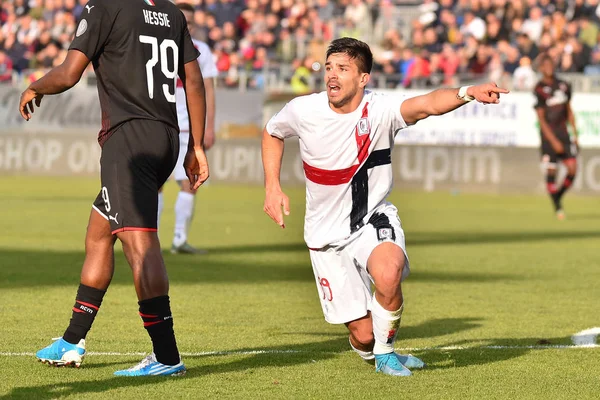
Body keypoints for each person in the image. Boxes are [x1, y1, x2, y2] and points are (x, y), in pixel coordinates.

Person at [262, 37, 508, 377]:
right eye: (330, 67)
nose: (332, 76)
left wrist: (467, 91)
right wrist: (272, 186)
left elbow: (427, 104)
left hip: (370, 219)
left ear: (364, 78)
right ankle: (374, 347)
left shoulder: (380, 110)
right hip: (324, 236)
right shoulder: (303, 110)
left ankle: (386, 352)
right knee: (362, 336)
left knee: (389, 271)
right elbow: (272, 132)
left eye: (343, 69)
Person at [19, 0, 209, 376]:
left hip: (129, 141)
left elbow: (70, 72)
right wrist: (196, 145)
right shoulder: (171, 13)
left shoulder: (103, 7)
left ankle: (168, 357)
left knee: (141, 242)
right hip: (167, 136)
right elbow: (196, 81)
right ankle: (72, 341)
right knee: (99, 233)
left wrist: (34, 86)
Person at [158, 2, 218, 255]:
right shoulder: (158, 45)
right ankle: (150, 240)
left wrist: (209, 127)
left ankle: (179, 239)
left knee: (189, 184)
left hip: (188, 129)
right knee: (155, 184)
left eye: (191, 22)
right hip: (160, 124)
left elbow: (209, 91)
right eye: (184, 21)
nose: (187, 25)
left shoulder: (201, 50)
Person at [533, 54, 578, 219]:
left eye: (551, 65)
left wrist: (575, 135)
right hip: (549, 137)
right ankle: (557, 206)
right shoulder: (538, 89)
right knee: (551, 173)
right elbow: (541, 119)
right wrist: (553, 141)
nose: (549, 68)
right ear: (541, 68)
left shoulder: (564, 85)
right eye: (546, 66)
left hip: (564, 134)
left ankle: (558, 195)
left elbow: (569, 111)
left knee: (572, 169)